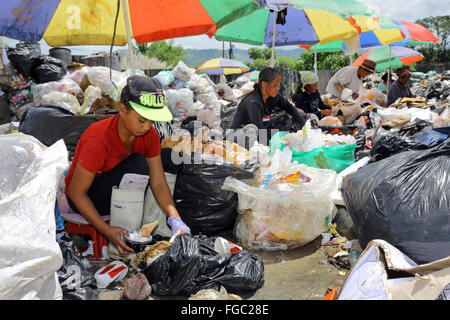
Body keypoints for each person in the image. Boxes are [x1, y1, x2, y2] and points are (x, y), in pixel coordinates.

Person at [65, 75, 191, 255]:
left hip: (116, 188)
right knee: (139, 164)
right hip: (85, 197)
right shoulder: (97, 140)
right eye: (142, 120)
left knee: (169, 157)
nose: (147, 127)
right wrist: (107, 231)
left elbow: (159, 182)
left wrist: (175, 219)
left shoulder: (149, 135)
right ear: (123, 109)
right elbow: (77, 193)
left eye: (152, 121)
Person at [230, 67, 306, 134]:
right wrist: (267, 148)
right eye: (274, 85)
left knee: (284, 118)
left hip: (257, 129)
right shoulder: (253, 102)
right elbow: (259, 129)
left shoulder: (274, 97)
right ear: (264, 84)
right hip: (240, 134)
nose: (278, 88)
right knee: (253, 130)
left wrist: (304, 127)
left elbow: (290, 108)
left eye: (279, 85)